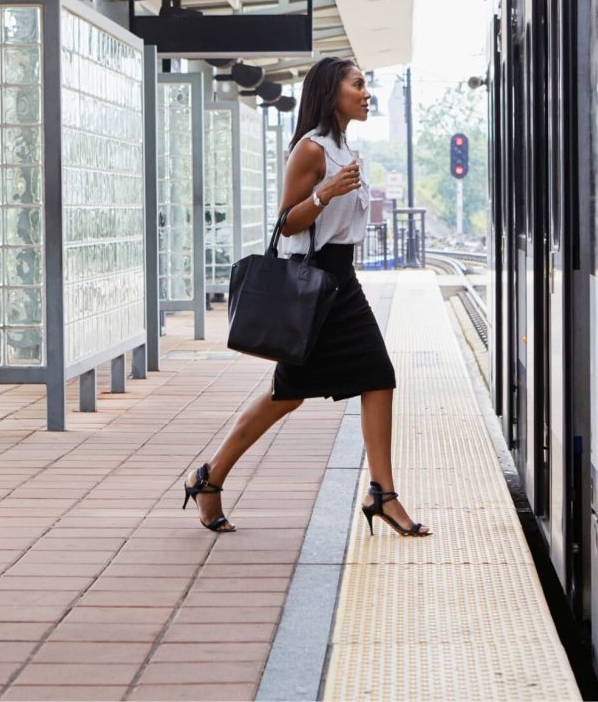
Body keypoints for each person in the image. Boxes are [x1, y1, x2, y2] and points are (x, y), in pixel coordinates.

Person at [183, 57, 430, 537]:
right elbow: (286, 223)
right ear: (331, 92)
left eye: (365, 85)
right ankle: (209, 477)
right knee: (286, 394)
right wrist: (326, 192)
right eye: (357, 85)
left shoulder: (343, 146)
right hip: (312, 284)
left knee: (377, 375)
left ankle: (382, 492)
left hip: (341, 282)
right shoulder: (312, 150)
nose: (366, 93)